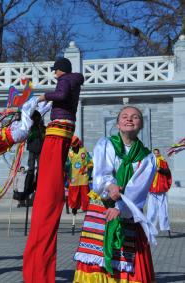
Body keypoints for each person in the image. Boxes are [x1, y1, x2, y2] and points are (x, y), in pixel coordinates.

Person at [73, 106, 157, 282]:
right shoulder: (106, 144)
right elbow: (101, 172)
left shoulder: (147, 157)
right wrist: (110, 185)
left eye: (135, 117)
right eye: (125, 116)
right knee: (97, 255)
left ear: (141, 125)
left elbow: (138, 188)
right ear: (118, 124)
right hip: (101, 206)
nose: (129, 119)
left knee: (127, 257)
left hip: (127, 209)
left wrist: (120, 207)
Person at [23, 57, 84, 283]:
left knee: (48, 178)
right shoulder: (74, 82)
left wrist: (42, 97)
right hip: (66, 129)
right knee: (51, 174)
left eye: (56, 71)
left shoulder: (65, 81)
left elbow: (60, 96)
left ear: (61, 70)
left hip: (57, 133)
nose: (55, 74)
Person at [147, 148, 172, 237]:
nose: (156, 155)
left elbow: (167, 172)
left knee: (163, 209)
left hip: (161, 188)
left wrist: (160, 169)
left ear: (159, 153)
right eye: (155, 153)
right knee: (151, 210)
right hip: (152, 189)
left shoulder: (163, 161)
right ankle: (151, 230)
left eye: (157, 153)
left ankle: (165, 227)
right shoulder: (150, 162)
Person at [65, 136, 93, 214]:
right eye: (72, 145)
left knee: (85, 195)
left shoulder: (83, 151)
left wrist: (88, 167)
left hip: (83, 177)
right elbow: (66, 164)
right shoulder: (69, 153)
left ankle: (86, 208)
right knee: (73, 195)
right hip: (73, 178)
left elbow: (90, 162)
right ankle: (74, 207)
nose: (73, 147)